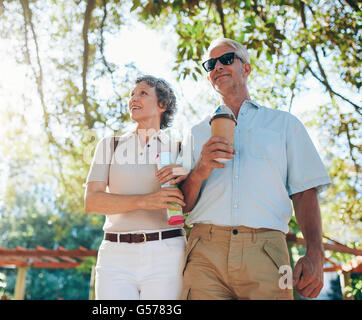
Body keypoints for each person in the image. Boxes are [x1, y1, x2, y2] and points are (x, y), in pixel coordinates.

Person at [178, 38, 332, 300]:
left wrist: (315, 253)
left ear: (246, 69)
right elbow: (182, 204)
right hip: (205, 253)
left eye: (227, 59)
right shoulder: (195, 132)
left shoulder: (284, 124)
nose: (218, 67)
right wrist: (202, 168)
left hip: (268, 251)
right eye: (210, 64)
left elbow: (304, 193)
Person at [84, 75, 188, 300]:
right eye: (132, 94)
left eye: (143, 93)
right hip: (115, 255)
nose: (133, 98)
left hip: (167, 253)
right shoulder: (109, 146)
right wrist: (145, 201)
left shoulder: (181, 150)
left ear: (163, 104)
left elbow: (192, 205)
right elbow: (92, 202)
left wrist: (188, 175)